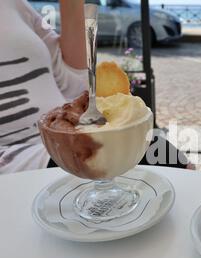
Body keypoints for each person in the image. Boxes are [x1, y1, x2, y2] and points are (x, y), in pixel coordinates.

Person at [0, 0, 190, 174]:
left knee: (168, 155)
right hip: (18, 160)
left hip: (72, 130)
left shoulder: (15, 4)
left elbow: (74, 82)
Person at [0, 0, 87, 174]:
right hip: (17, 163)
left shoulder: (14, 4)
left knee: (152, 144)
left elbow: (76, 85)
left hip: (68, 139)